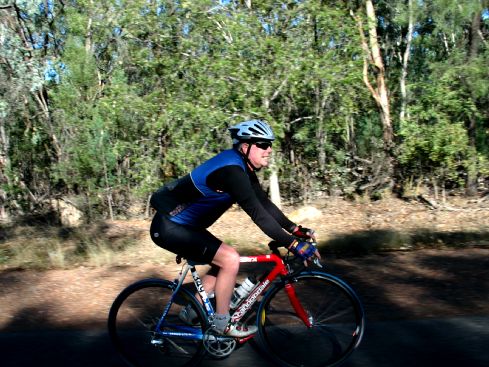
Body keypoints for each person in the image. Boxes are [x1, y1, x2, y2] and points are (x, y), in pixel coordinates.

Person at [149, 119, 319, 337]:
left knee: (221, 262)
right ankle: (223, 324)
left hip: (185, 226)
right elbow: (259, 216)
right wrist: (294, 245)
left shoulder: (242, 166)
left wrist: (294, 229)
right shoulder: (232, 171)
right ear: (246, 147)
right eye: (263, 145)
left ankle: (194, 311)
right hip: (170, 226)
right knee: (230, 258)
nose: (269, 150)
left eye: (270, 145)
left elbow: (264, 204)